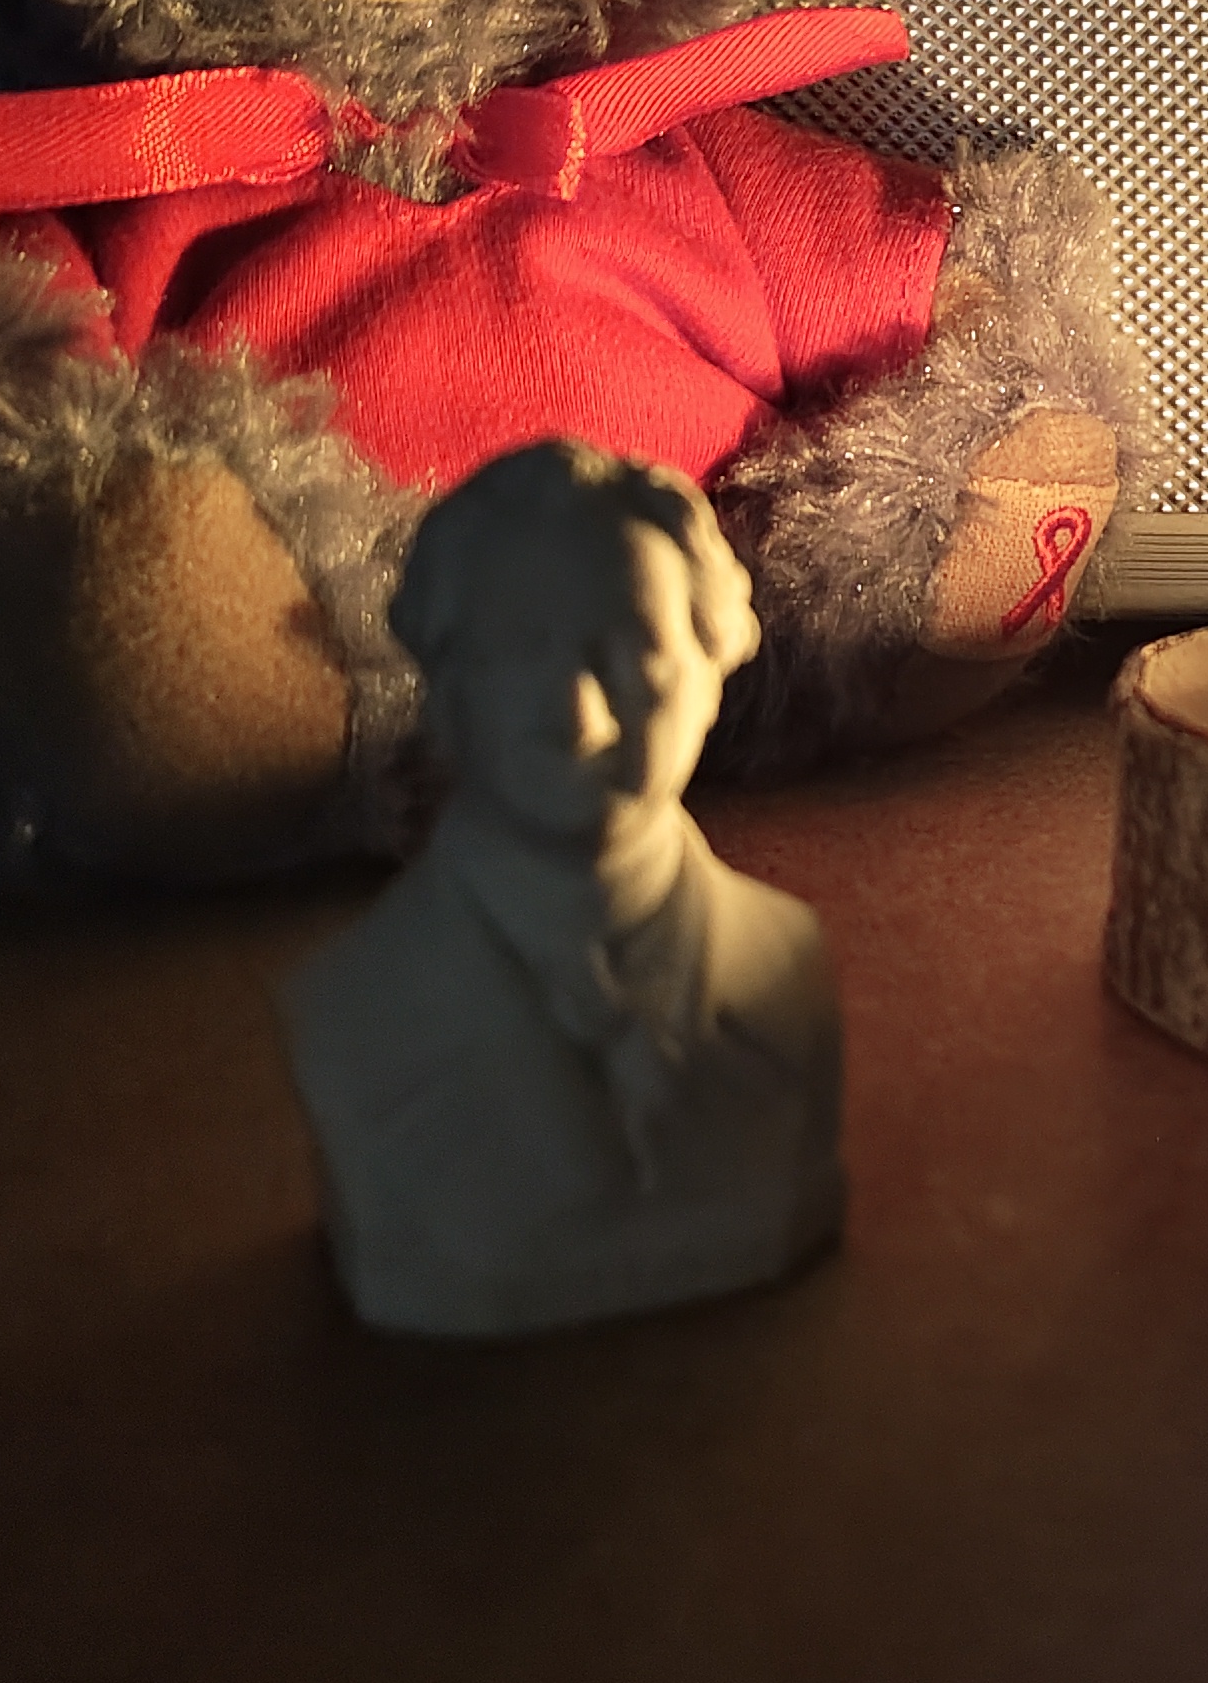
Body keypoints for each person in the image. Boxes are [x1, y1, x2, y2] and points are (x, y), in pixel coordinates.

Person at [285, 441, 843, 1336]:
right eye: (516, 655)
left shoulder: (787, 970)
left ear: (713, 671)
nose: (577, 716)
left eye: (630, 650)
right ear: (444, 688)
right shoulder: (359, 1011)